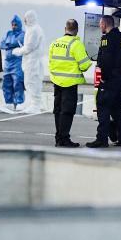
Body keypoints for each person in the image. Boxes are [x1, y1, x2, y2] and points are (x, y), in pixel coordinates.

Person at [87, 15, 121, 148]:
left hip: (109, 80)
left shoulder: (106, 39)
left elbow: (104, 61)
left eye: (100, 24)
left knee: (103, 108)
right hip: (120, 80)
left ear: (105, 24)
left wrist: (104, 78)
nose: (100, 26)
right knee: (117, 110)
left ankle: (101, 139)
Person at [48, 19, 92, 148]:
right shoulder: (76, 44)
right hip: (70, 83)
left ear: (65, 28)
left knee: (58, 110)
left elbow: (50, 62)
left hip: (57, 82)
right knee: (67, 112)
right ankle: (64, 139)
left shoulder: (55, 43)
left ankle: (58, 138)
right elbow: (85, 65)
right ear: (77, 30)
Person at [12, 9, 46, 113]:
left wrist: (18, 51)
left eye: (26, 19)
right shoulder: (32, 29)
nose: (24, 21)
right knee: (28, 83)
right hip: (30, 62)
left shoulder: (34, 30)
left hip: (33, 62)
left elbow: (30, 47)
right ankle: (31, 102)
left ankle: (35, 105)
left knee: (32, 83)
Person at [0, 14, 25, 111]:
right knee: (6, 83)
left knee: (17, 83)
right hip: (7, 63)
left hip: (17, 63)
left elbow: (17, 42)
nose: (13, 26)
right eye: (12, 25)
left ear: (19, 25)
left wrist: (8, 44)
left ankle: (19, 102)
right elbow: (2, 44)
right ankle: (8, 102)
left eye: (15, 25)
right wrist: (9, 45)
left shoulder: (22, 34)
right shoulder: (8, 33)